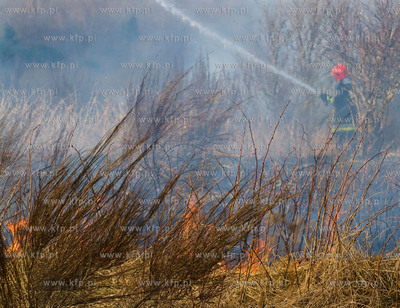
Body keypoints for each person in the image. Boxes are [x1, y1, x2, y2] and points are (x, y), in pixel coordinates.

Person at [320, 64, 357, 151]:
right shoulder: (351, 85)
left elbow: (337, 102)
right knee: (351, 145)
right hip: (350, 120)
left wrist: (326, 98)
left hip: (341, 121)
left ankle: (342, 160)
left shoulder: (341, 86)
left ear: (338, 75)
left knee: (340, 147)